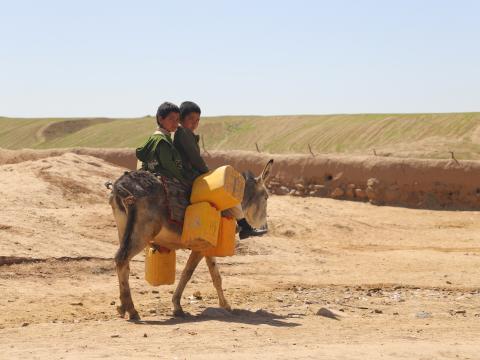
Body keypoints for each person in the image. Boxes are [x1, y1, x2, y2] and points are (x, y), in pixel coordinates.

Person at [174, 101, 267, 239]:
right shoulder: (184, 134)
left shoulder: (184, 133)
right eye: (191, 119)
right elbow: (195, 160)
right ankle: (243, 227)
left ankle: (241, 227)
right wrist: (208, 173)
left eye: (197, 120)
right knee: (227, 194)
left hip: (190, 173)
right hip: (189, 175)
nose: (195, 123)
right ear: (181, 118)